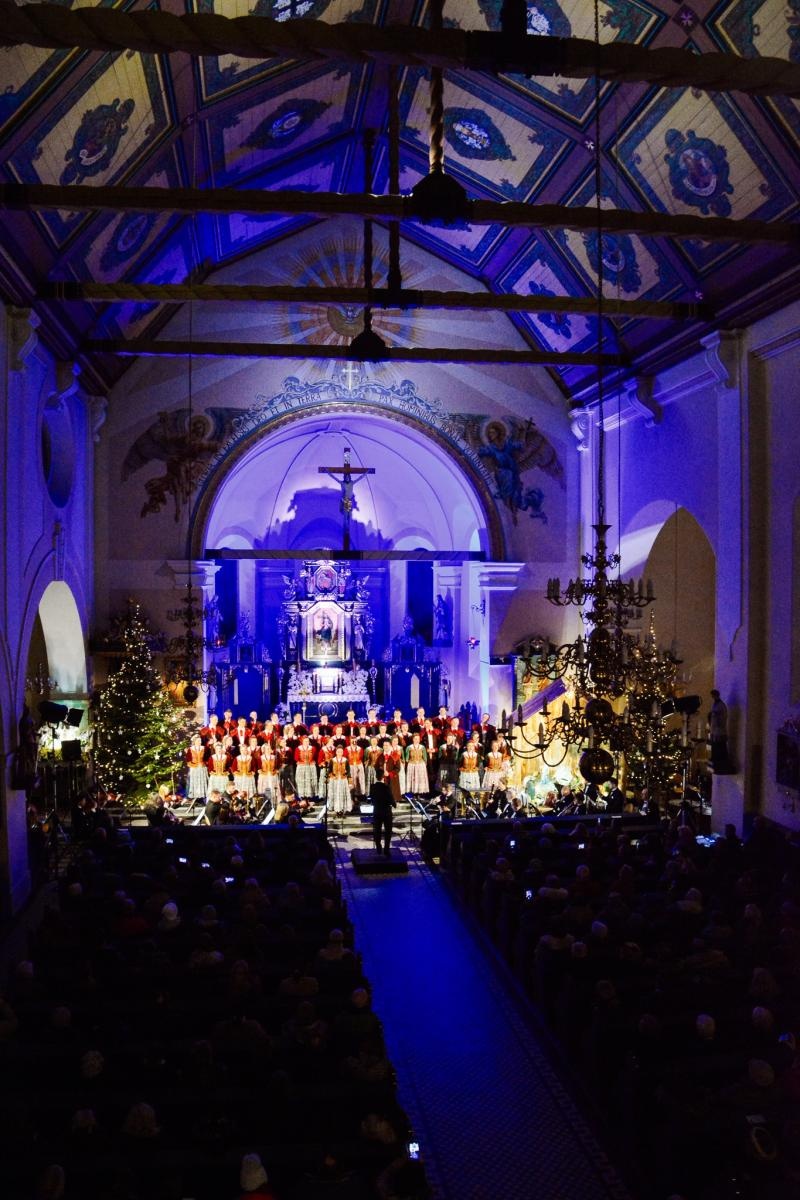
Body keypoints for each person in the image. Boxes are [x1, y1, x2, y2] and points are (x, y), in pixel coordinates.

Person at [370, 766, 395, 857]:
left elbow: (371, 799)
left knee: (377, 830)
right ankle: (386, 849)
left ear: (376, 776)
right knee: (388, 831)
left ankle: (378, 848)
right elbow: (391, 799)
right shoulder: (386, 787)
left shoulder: (372, 787)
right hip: (386, 812)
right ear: (383, 777)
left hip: (377, 811)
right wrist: (394, 804)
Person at [708, 689, 730, 770]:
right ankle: (716, 758)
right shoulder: (715, 704)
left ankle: (721, 759)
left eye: (713, 695)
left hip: (719, 728)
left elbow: (722, 715)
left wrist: (715, 716)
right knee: (715, 745)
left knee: (720, 745)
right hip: (715, 728)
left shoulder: (721, 705)